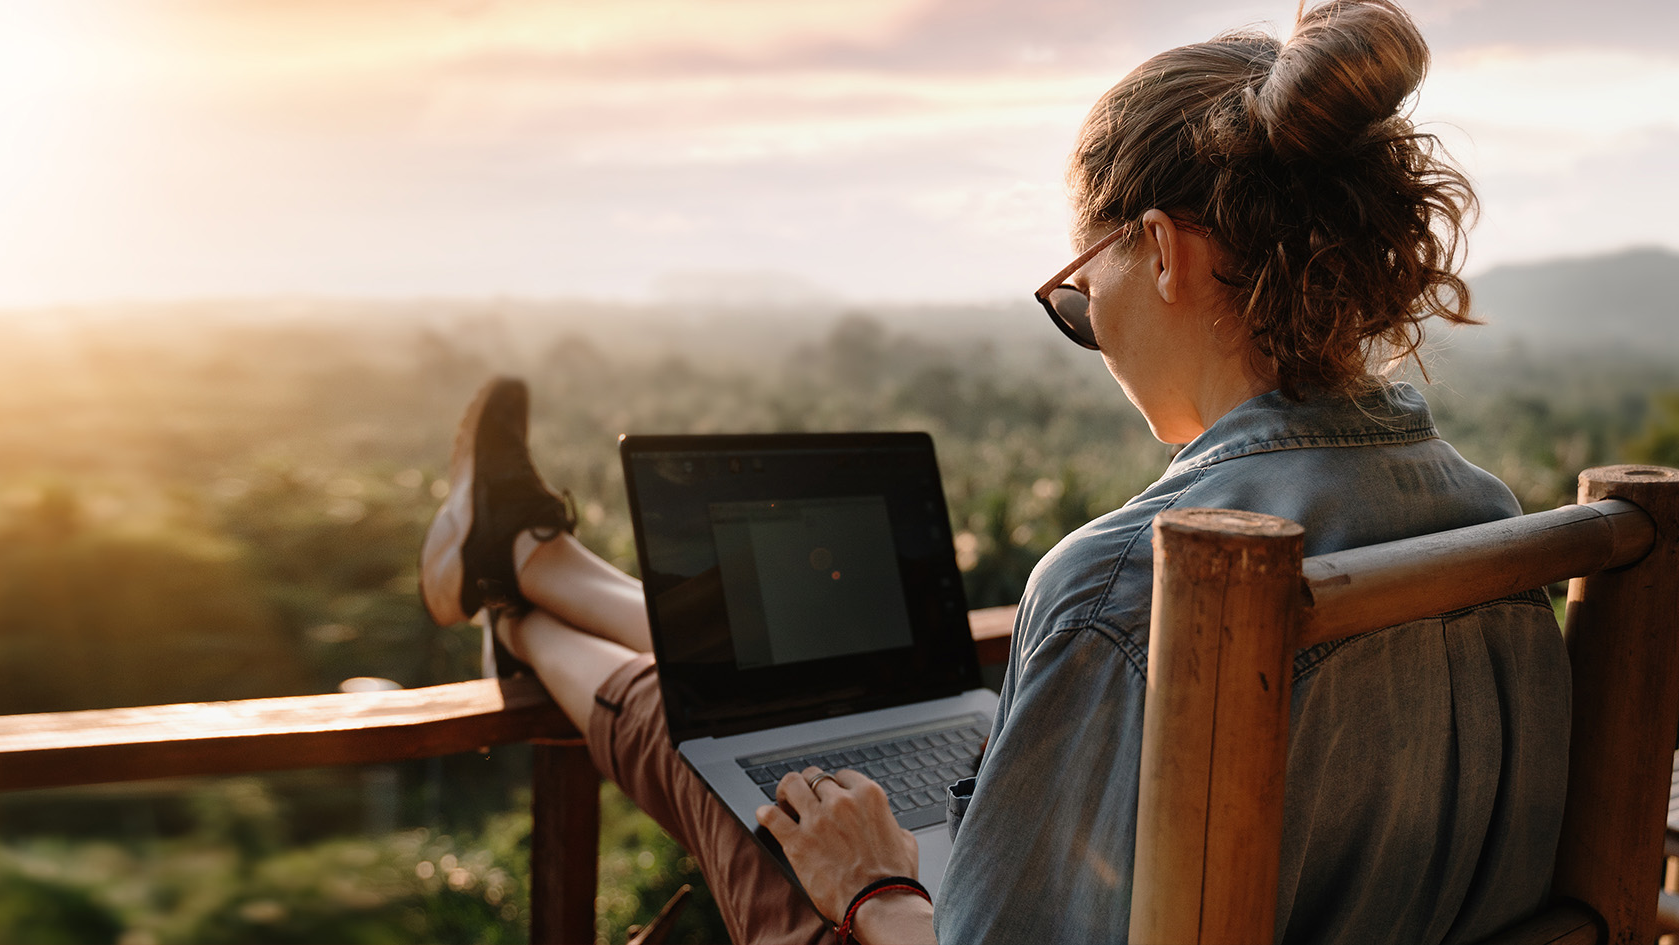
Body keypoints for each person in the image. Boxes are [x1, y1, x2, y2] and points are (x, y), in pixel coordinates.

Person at [415, 2, 1570, 942]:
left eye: (1079, 289)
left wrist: (874, 887)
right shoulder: (1490, 525)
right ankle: (528, 566)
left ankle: (516, 596)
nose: (1088, 323)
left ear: (1161, 252)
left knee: (735, 763)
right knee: (763, 723)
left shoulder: (1132, 582)